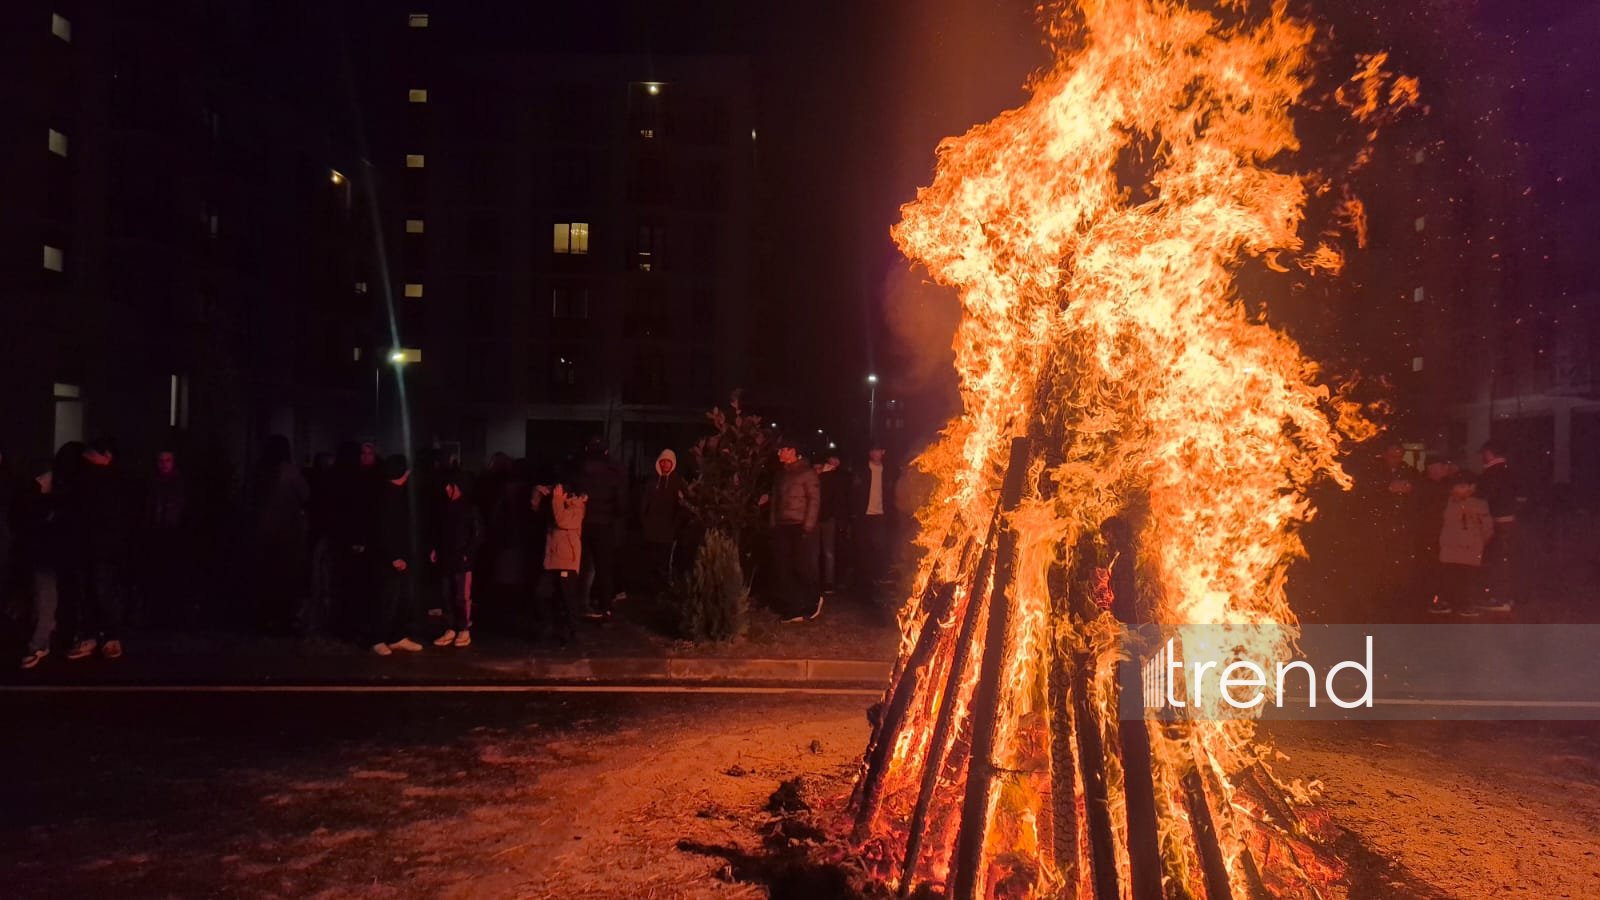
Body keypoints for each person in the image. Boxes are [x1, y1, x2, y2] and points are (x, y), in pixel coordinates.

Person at [17, 444, 83, 669]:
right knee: (45, 599)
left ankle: (41, 642)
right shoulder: (47, 497)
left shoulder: (59, 496)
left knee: (48, 599)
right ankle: (41, 642)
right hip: (48, 555)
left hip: (53, 555)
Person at [69, 438, 132, 660]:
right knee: (87, 591)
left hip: (103, 546)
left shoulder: (112, 481)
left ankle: (108, 635)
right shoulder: (83, 479)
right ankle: (93, 634)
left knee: (102, 590)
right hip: (87, 544)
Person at [249, 435, 310, 635]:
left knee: (264, 577)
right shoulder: (290, 472)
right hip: (287, 534)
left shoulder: (259, 471)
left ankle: (263, 620)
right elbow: (306, 495)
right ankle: (283, 620)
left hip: (261, 533)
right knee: (285, 578)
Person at [369, 454, 423, 655]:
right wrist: (394, 556)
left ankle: (396, 636)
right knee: (387, 600)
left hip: (402, 556)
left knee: (402, 599)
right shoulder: (386, 495)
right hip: (389, 559)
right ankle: (377, 638)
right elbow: (382, 530)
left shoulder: (397, 494)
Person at [768, 440, 822, 623]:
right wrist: (773, 523)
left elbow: (814, 500)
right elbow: (775, 500)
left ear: (792, 451)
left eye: (782, 450)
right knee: (783, 567)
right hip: (783, 526)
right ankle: (793, 607)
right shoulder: (781, 474)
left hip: (799, 525)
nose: (779, 454)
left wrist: (807, 526)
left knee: (801, 567)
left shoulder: (807, 473)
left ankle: (812, 599)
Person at [575, 437, 625, 622]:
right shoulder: (613, 472)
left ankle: (580, 603)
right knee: (604, 567)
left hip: (581, 523)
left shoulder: (578, 470)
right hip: (604, 524)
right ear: (605, 452)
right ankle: (605, 607)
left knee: (582, 566)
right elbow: (621, 503)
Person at [141, 449, 192, 626]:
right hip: (157, 533)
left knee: (169, 574)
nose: (164, 464)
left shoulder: (179, 484)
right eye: (161, 460)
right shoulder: (154, 483)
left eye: (167, 460)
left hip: (172, 534)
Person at [430, 474, 482, 648]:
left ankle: (463, 629)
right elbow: (440, 531)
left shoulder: (470, 508)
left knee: (461, 596)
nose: (446, 489)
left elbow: (477, 534)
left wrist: (468, 553)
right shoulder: (445, 507)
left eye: (450, 485)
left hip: (462, 560)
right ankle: (451, 627)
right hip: (446, 558)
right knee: (446, 594)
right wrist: (436, 548)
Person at [533, 480, 586, 645]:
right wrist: (538, 491)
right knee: (541, 594)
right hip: (551, 560)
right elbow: (534, 507)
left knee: (568, 599)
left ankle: (572, 631)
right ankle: (550, 626)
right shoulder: (554, 505)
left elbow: (562, 521)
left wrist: (557, 500)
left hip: (567, 562)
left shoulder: (577, 507)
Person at [1436, 472, 1495, 615]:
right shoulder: (1447, 503)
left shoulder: (1479, 504)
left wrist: (1480, 541)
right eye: (1454, 487)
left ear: (1472, 488)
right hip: (1449, 547)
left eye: (1462, 486)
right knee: (1449, 576)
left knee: (1468, 578)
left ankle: (1467, 604)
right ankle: (1446, 601)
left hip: (1471, 548)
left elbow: (1487, 527)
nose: (1457, 490)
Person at [1477, 441, 1518, 613]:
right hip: (1510, 521)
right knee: (1506, 559)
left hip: (1499, 522)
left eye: (1484, 454)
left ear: (1489, 453)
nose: (1482, 457)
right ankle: (1506, 597)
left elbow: (1485, 496)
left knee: (1498, 560)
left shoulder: (1492, 472)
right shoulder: (1509, 470)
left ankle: (1500, 599)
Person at [639, 448, 684, 595]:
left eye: (668, 462)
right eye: (663, 461)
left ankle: (663, 592)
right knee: (650, 561)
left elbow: (681, 507)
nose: (665, 465)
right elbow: (643, 503)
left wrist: (675, 527)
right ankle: (649, 592)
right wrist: (645, 522)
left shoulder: (677, 482)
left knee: (664, 563)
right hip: (651, 530)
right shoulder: (652, 482)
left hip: (668, 531)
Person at [853, 447, 896, 590]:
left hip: (881, 514)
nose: (874, 454)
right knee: (864, 547)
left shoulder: (889, 471)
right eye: (871, 451)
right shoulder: (862, 470)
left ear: (883, 452)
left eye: (877, 451)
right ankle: (865, 579)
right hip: (864, 514)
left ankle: (879, 576)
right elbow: (854, 491)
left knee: (879, 546)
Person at [816, 454, 848, 593]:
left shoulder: (841, 476)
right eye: (830, 459)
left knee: (828, 551)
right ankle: (819, 580)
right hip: (817, 516)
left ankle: (829, 581)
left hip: (829, 517)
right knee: (817, 552)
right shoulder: (819, 475)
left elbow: (841, 498)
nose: (833, 462)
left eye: (836, 459)